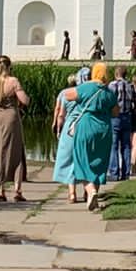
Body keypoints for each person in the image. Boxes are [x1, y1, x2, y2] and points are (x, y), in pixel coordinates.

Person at [63, 63, 117, 210]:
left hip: (86, 127)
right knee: (99, 161)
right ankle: (94, 195)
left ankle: (91, 190)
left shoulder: (86, 87)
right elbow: (115, 113)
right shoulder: (109, 93)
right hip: (104, 129)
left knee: (82, 160)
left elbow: (67, 95)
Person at [0, 55, 30, 202]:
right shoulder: (13, 81)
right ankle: (17, 190)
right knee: (15, 151)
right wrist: (25, 98)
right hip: (11, 117)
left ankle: (1, 189)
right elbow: (24, 100)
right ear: (9, 67)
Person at [51, 67, 91, 203]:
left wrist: (58, 128)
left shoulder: (67, 94)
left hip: (70, 128)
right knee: (85, 158)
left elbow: (61, 114)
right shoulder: (89, 93)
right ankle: (87, 191)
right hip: (85, 126)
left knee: (70, 159)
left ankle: (72, 193)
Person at [108, 65, 136, 181]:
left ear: (116, 74)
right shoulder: (131, 86)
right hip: (127, 117)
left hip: (115, 117)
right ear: (125, 74)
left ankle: (114, 173)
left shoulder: (112, 85)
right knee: (126, 145)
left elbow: (109, 101)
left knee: (114, 145)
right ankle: (125, 173)